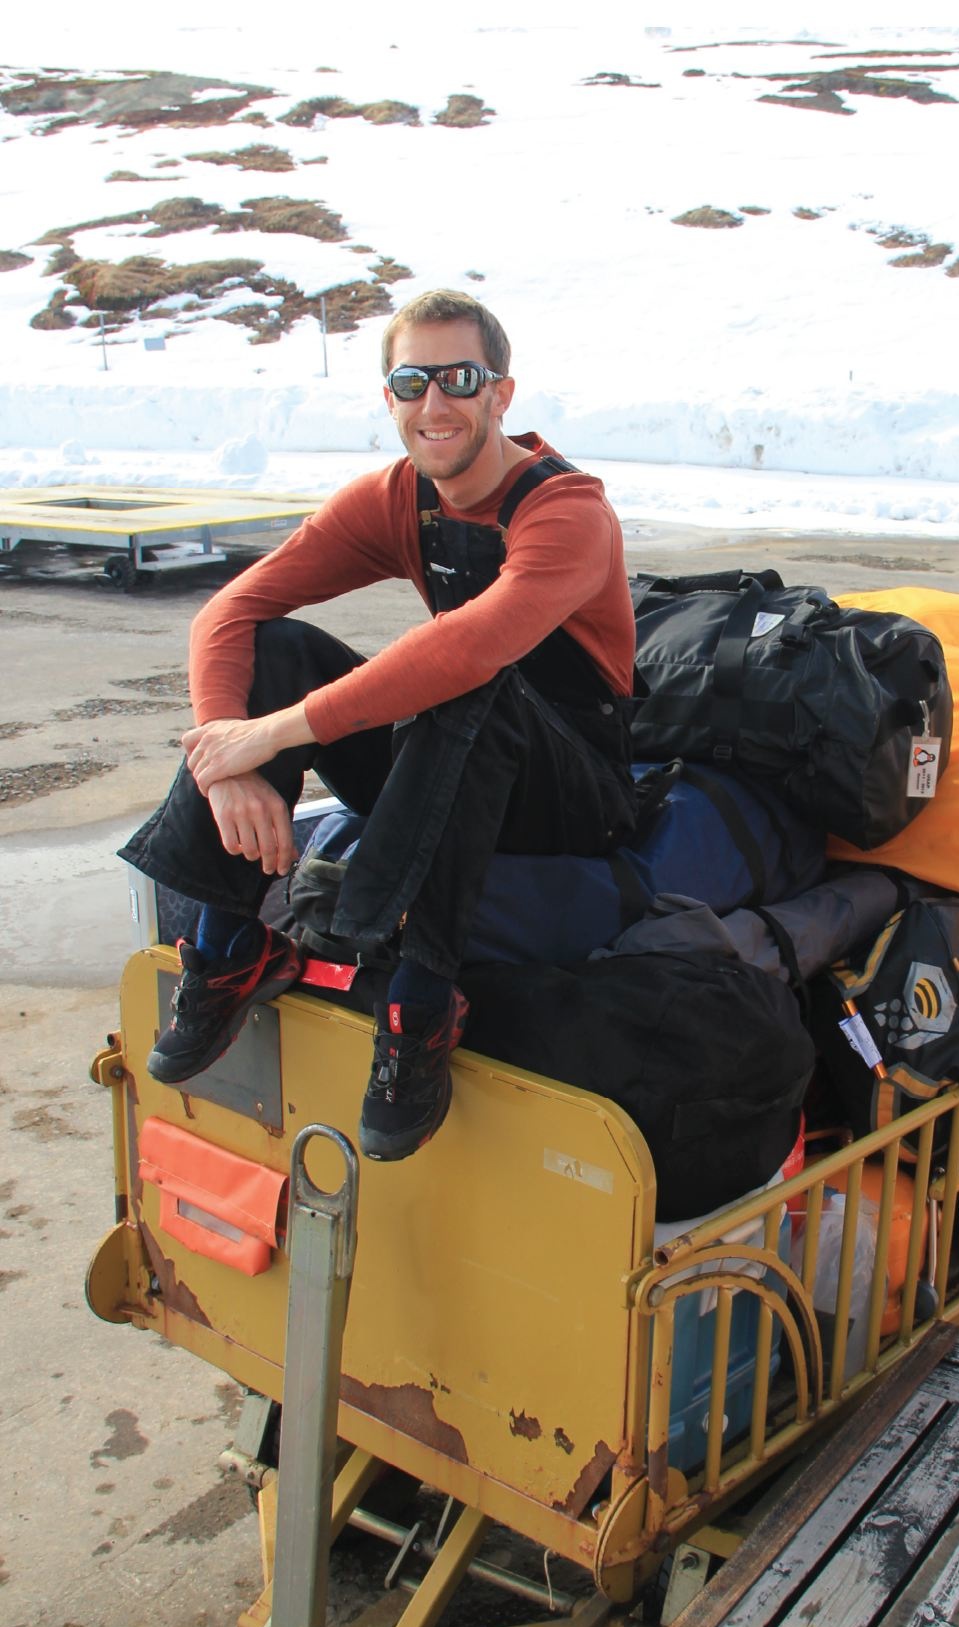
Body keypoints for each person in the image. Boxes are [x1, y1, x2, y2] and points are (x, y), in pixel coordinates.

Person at [118, 289, 639, 1160]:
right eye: (411, 380)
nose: (434, 403)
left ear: (501, 394)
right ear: (389, 398)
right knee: (279, 648)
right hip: (455, 753)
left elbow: (473, 645)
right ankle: (227, 944)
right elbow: (232, 612)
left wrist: (280, 732)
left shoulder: (567, 511)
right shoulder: (401, 499)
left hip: (575, 791)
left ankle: (419, 1001)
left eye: (459, 378)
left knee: (465, 670)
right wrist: (226, 753)